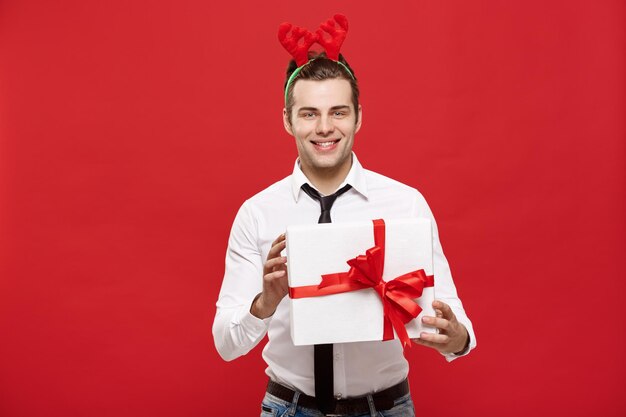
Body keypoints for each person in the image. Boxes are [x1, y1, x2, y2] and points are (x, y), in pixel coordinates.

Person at [212, 15, 476, 417]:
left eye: (338, 112)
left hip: (385, 409)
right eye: (308, 114)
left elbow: (458, 329)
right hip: (289, 408)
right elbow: (226, 345)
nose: (324, 128)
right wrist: (264, 303)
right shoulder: (257, 214)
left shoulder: (405, 205)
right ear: (288, 120)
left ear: (358, 117)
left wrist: (454, 337)